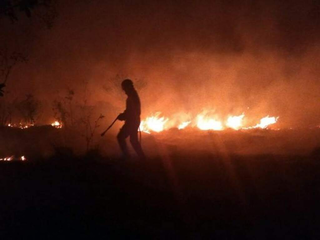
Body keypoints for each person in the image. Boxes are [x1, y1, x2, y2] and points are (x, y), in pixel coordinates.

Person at [117, 79, 146, 160]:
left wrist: (123, 116)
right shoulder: (132, 95)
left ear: (128, 87)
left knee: (120, 137)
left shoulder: (132, 96)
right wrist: (124, 115)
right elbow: (130, 110)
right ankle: (142, 158)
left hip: (132, 121)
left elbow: (132, 111)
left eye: (125, 88)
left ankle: (127, 156)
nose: (124, 91)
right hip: (134, 121)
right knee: (133, 140)